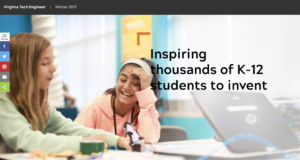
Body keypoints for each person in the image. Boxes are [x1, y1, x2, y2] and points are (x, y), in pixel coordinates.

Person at [0, 33, 131, 154]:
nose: (53, 68)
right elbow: (29, 141)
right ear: (24, 69)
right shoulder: (3, 99)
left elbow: (72, 129)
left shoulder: (42, 105)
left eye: (52, 61)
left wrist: (116, 139)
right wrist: (86, 142)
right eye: (45, 63)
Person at [75, 58, 161, 144]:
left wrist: (146, 93)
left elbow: (149, 142)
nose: (127, 86)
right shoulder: (94, 108)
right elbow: (76, 141)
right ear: (117, 80)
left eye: (135, 84)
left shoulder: (143, 113)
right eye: (123, 80)